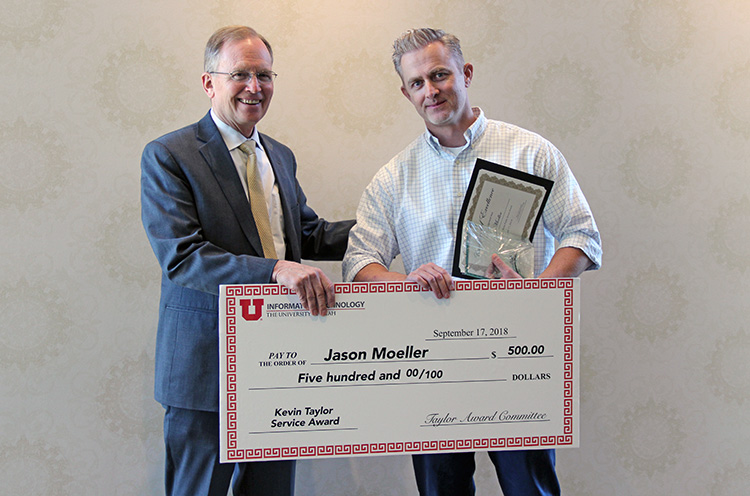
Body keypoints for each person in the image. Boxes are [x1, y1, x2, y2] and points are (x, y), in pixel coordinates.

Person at [342, 28, 602, 496]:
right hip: (431, 365)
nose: (431, 90)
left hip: (519, 356)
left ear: (465, 73)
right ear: (406, 93)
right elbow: (359, 261)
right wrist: (404, 281)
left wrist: (537, 290)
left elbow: (582, 236)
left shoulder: (531, 152)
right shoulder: (393, 178)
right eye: (417, 83)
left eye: (440, 74)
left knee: (532, 490)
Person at [141, 25, 354, 496]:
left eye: (264, 75)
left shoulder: (279, 154)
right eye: (240, 74)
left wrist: (386, 229)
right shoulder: (169, 155)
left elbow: (306, 234)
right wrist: (276, 270)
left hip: (279, 362)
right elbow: (183, 257)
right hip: (205, 367)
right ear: (208, 82)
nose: (255, 88)